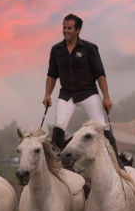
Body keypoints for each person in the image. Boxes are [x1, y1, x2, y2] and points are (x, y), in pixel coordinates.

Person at [43, 13, 122, 162]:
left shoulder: (90, 48)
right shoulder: (56, 50)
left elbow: (100, 74)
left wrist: (106, 97)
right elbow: (52, 75)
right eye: (64, 28)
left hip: (88, 93)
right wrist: (47, 94)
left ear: (78, 30)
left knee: (101, 126)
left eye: (69, 28)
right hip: (67, 94)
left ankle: (117, 163)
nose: (66, 31)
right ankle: (56, 162)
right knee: (59, 125)